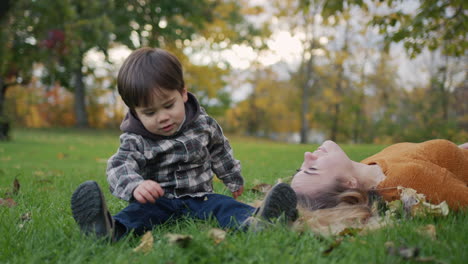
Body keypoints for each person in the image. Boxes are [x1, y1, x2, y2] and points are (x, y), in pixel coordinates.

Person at [70, 47, 298, 241]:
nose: (162, 118)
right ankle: (107, 230)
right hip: (158, 201)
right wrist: (136, 186)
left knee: (224, 206)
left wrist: (232, 177)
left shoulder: (203, 125)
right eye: (150, 112)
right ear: (135, 112)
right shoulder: (136, 138)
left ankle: (259, 221)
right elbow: (120, 166)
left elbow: (220, 150)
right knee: (136, 214)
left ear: (183, 93)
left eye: (169, 105)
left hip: (201, 197)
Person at [291, 139, 468, 213]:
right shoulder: (405, 183)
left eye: (301, 168)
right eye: (312, 169)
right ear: (349, 183)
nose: (307, 156)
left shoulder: (367, 165)